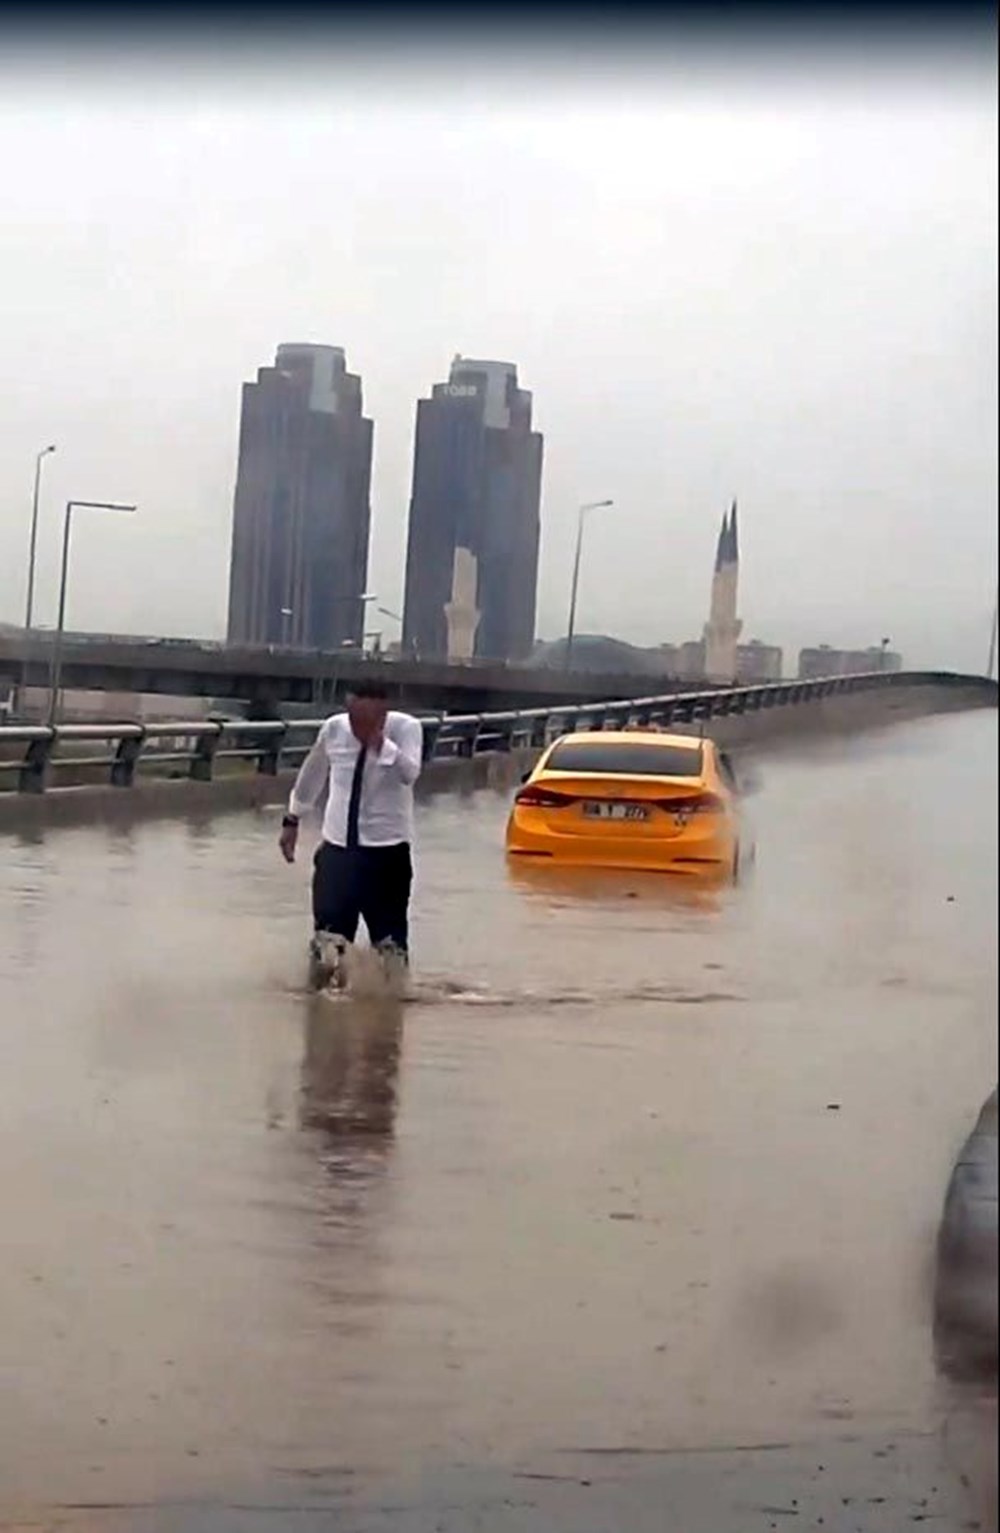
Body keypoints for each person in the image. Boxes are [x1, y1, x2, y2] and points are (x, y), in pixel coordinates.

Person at [279, 683, 423, 990]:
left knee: (389, 946)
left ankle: (388, 1013)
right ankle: (321, 1012)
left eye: (372, 712)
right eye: (357, 711)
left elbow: (409, 773)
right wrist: (292, 819)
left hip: (386, 853)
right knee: (328, 940)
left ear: (385, 709)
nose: (362, 719)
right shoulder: (333, 729)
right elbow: (312, 776)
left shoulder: (406, 729)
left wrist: (377, 741)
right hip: (339, 851)